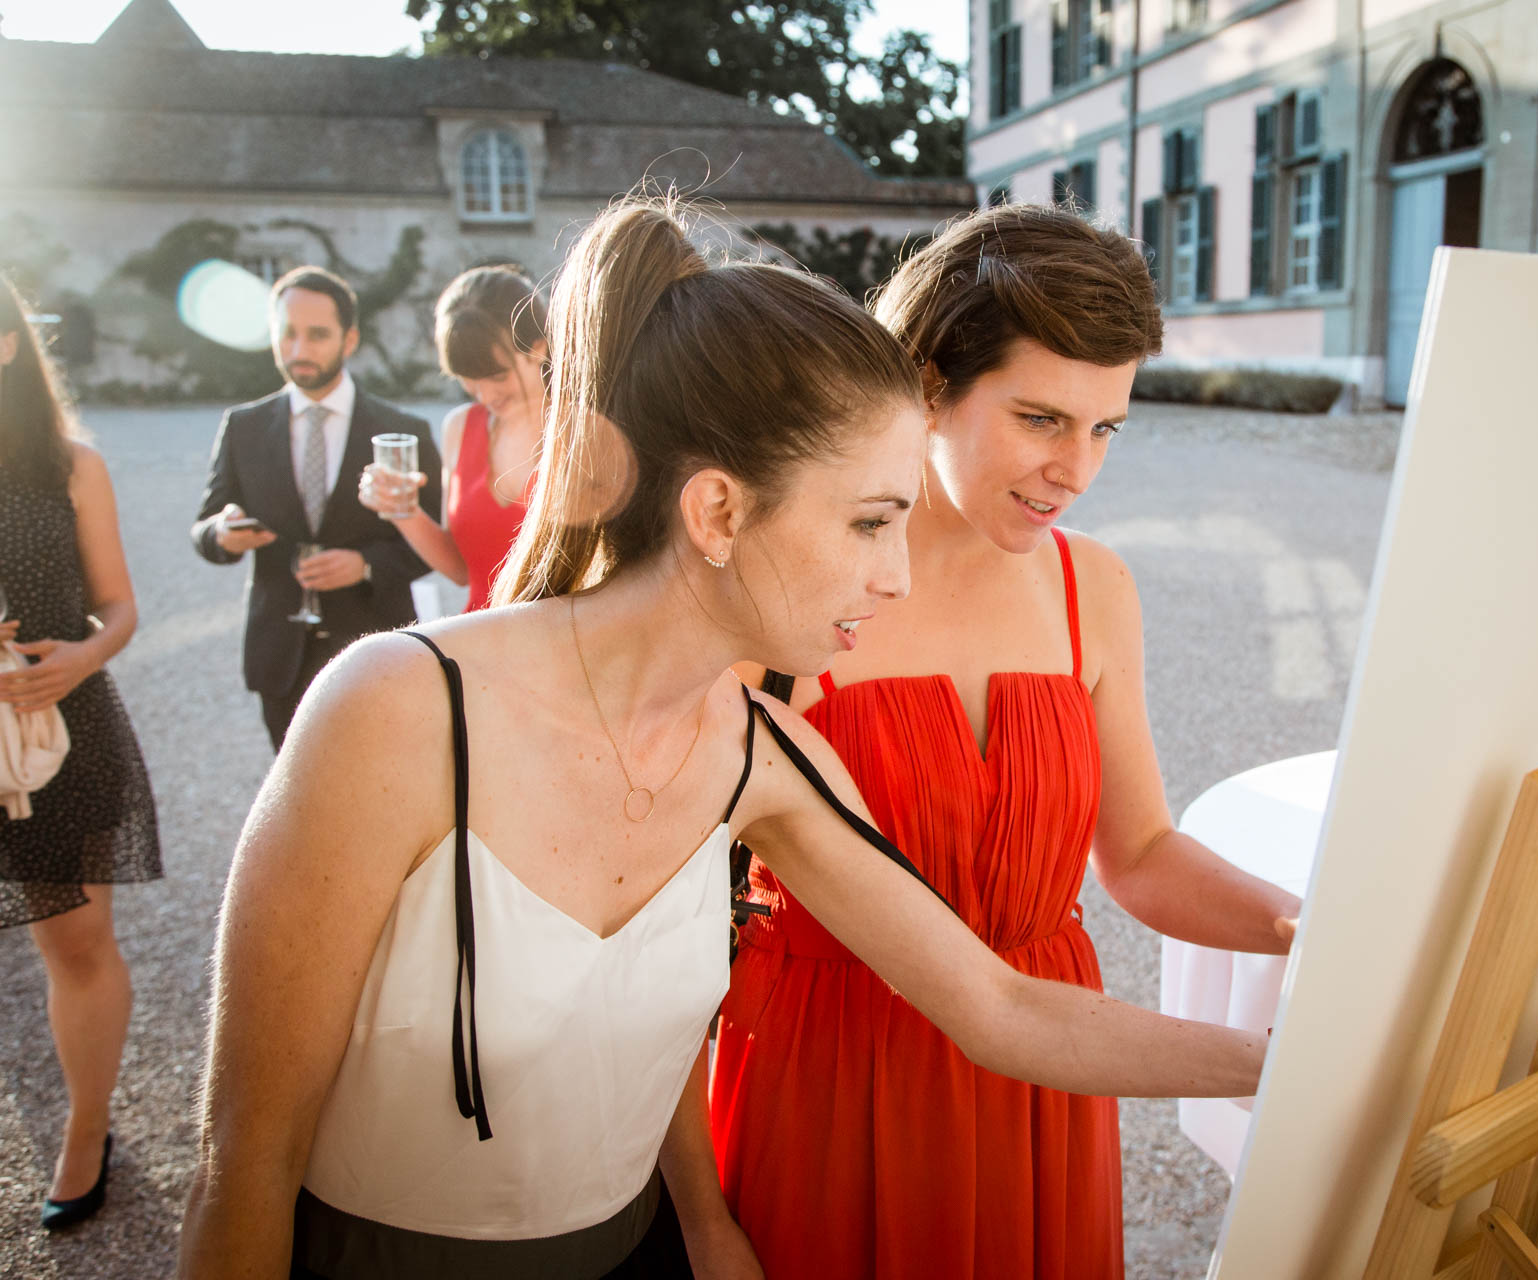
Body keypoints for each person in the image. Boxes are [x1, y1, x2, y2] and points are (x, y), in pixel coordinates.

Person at [177, 197, 1265, 1280]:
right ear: (716, 511)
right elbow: (244, 1161)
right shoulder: (394, 707)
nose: (895, 573)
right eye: (868, 521)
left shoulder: (764, 758)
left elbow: (999, 1007)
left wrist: (1301, 1058)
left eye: (1105, 427)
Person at [711, 204, 1306, 1280]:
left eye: (1106, 427)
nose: (1077, 468)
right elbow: (670, 931)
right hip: (832, 1076)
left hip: (1051, 1074)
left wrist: (1308, 931)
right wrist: (701, 1220)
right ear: (928, 384)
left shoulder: (1095, 588)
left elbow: (1141, 856)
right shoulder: (791, 593)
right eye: (1041, 418)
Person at [0, 274, 163, 1231]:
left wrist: (84, 655)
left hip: (65, 731)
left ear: (11, 344)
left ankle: (88, 1125)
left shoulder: (71, 464)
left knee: (75, 942)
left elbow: (122, 605)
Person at [188, 266, 444, 750]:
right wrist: (221, 535)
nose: (299, 350)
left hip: (376, 648)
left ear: (350, 340)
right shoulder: (242, 427)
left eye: (317, 335)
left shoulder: (402, 429)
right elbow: (204, 527)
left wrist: (366, 564)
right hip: (279, 655)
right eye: (287, 334)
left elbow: (436, 544)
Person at [358, 267, 545, 612]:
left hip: (565, 650)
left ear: (539, 349)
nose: (485, 395)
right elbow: (461, 570)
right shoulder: (460, 427)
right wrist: (402, 510)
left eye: (497, 375)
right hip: (479, 644)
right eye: (468, 380)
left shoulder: (583, 427)